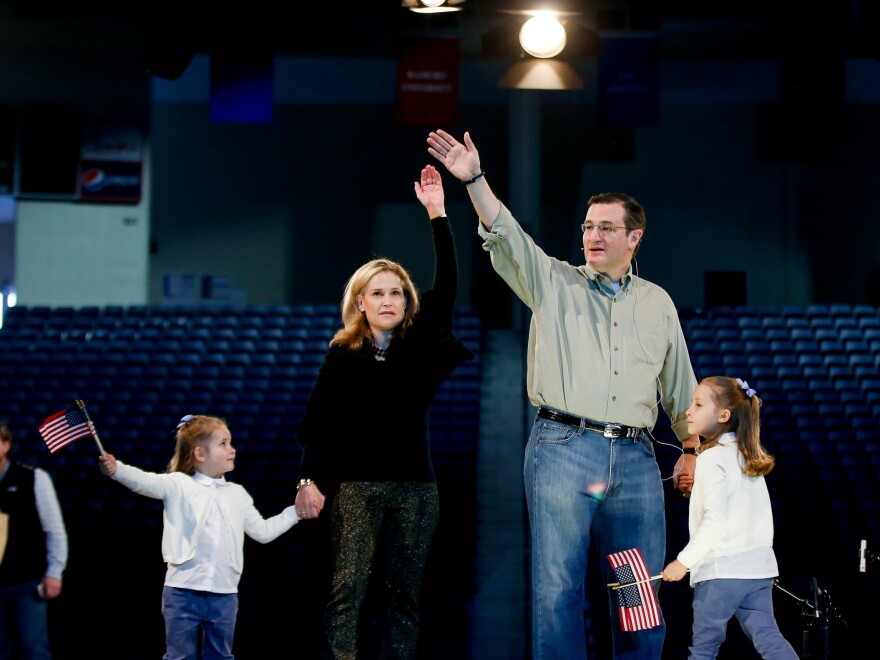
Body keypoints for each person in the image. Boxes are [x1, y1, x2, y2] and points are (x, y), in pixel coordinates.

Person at [426, 129, 700, 660]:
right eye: (588, 227)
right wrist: (475, 180)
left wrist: (690, 449)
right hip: (563, 449)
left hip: (639, 458)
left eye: (606, 228)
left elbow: (680, 387)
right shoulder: (553, 283)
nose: (593, 236)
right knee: (557, 591)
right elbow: (506, 235)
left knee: (637, 594)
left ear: (634, 237)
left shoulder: (657, 302)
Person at [294, 164, 474, 659]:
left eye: (397, 291)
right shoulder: (341, 354)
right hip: (356, 486)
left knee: (404, 596)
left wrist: (438, 213)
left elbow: (451, 280)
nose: (389, 299)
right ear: (361, 302)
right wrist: (307, 480)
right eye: (378, 292)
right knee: (346, 592)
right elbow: (317, 425)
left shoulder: (419, 342)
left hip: (416, 487)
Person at [98, 414, 302, 659]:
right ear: (200, 454)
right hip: (183, 590)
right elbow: (145, 482)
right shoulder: (179, 485)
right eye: (223, 444)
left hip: (224, 594)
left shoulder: (237, 494)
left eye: (231, 443)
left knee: (220, 655)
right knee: (179, 656)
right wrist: (117, 470)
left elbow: (263, 532)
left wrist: (295, 513)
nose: (232, 450)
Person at [661, 377, 798, 659]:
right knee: (770, 638)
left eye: (697, 404)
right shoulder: (747, 455)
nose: (688, 411)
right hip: (758, 570)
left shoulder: (711, 458)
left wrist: (683, 562)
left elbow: (716, 520)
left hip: (722, 571)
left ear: (724, 415)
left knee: (703, 649)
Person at [0, 419, 68, 660]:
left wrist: (54, 571)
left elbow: (54, 530)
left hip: (26, 582)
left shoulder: (34, 478)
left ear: (6, 444)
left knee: (33, 650)